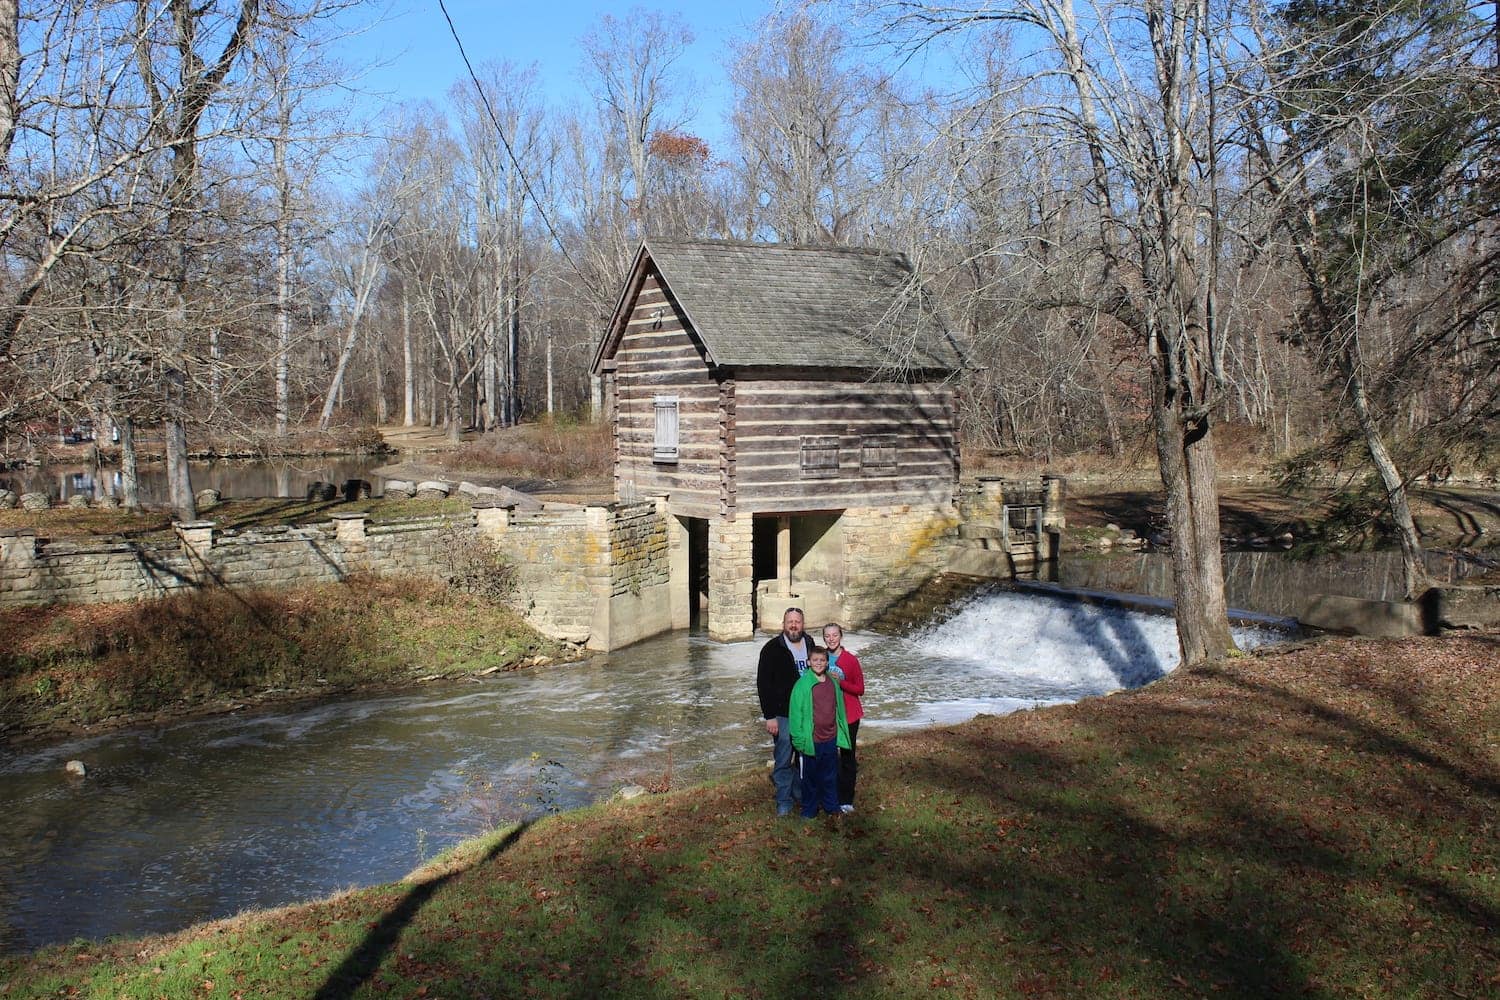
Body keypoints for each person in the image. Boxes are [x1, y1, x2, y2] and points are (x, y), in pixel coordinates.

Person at [756, 607, 811, 816]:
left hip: (806, 713)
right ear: (783, 624)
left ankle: (799, 793)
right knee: (783, 758)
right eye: (790, 622)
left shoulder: (810, 643)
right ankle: (784, 801)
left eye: (797, 622)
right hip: (783, 714)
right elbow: (763, 684)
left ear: (803, 624)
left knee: (804, 756)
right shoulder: (772, 648)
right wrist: (769, 716)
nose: (794, 625)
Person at [788, 645, 850, 820]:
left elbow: (838, 708)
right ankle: (809, 810)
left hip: (830, 737)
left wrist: (840, 732)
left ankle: (832, 807)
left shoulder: (832, 681)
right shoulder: (802, 685)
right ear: (808, 662)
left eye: (822, 660)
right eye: (815, 660)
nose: (818, 663)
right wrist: (798, 739)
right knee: (810, 778)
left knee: (830, 776)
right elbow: (795, 714)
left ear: (827, 662)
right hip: (811, 740)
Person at [822, 622, 864, 814]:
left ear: (841, 637)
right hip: (827, 715)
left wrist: (841, 682)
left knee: (847, 757)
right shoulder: (820, 658)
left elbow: (860, 689)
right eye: (827, 636)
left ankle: (846, 799)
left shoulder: (850, 660)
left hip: (848, 715)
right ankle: (829, 797)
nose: (831, 639)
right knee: (828, 757)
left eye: (834, 635)